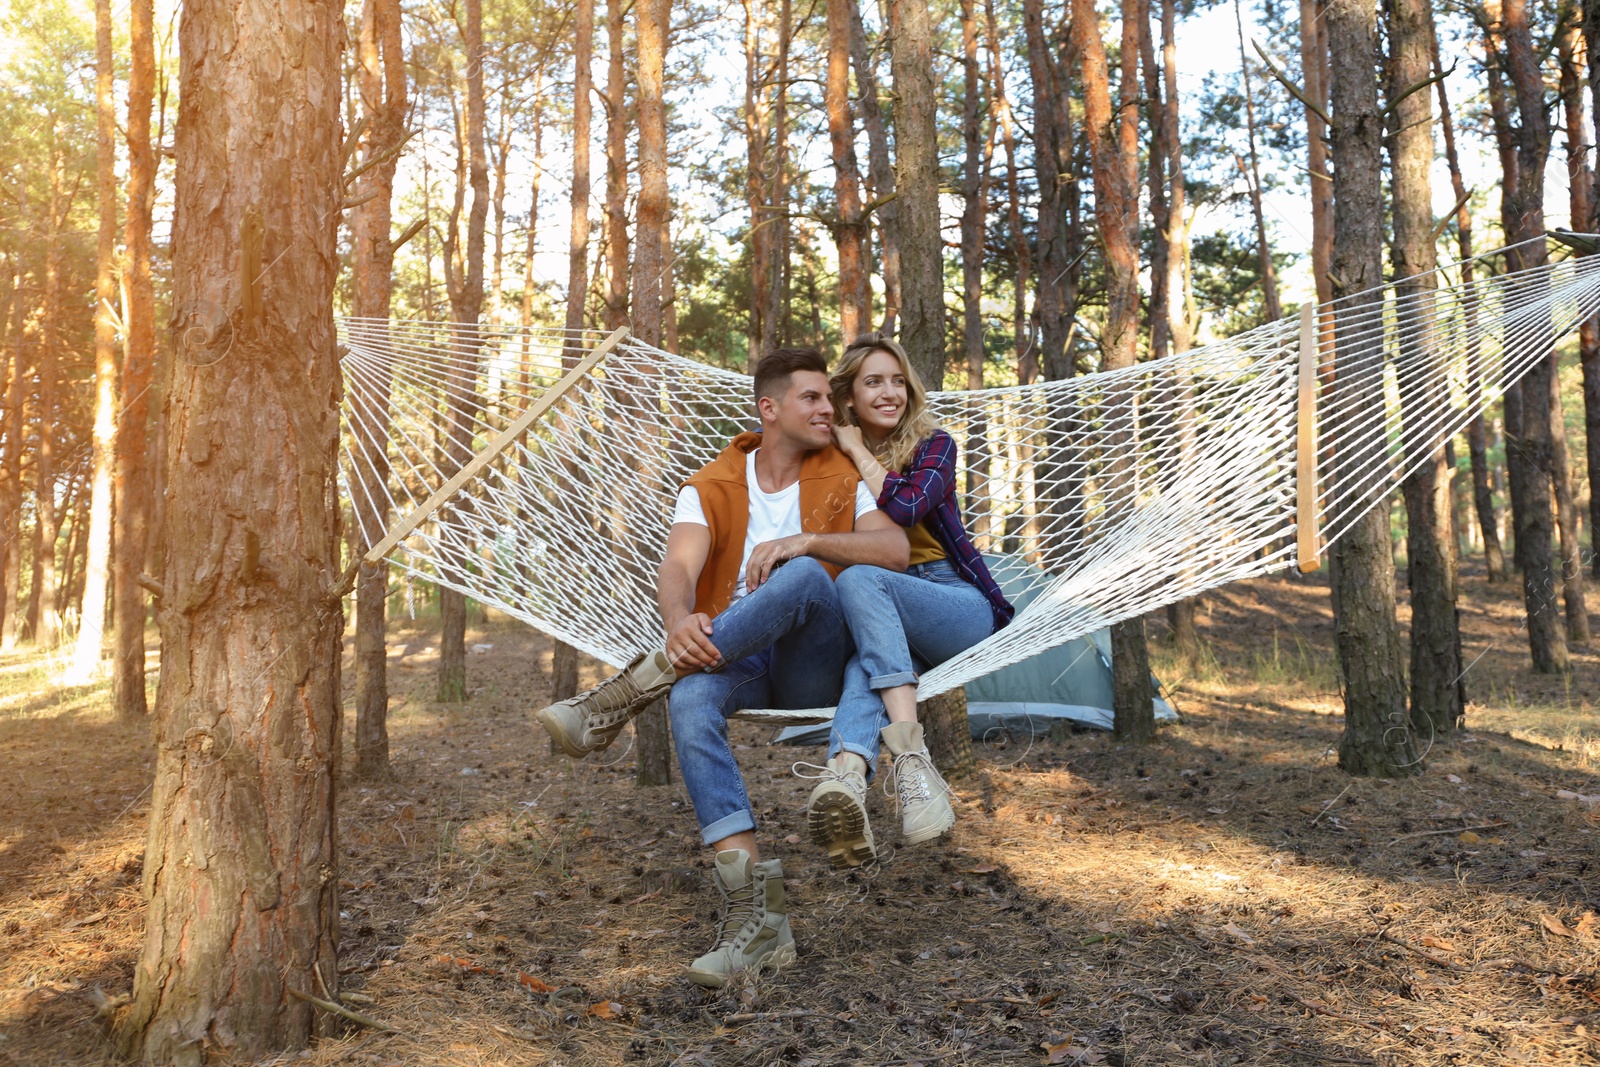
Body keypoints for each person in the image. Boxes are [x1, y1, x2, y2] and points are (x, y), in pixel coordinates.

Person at [535, 346, 908, 988]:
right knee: (690, 701)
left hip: (819, 656)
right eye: (812, 398)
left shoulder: (843, 470)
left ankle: (631, 689)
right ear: (769, 408)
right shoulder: (709, 484)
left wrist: (806, 541)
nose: (830, 408)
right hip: (739, 656)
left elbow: (894, 549)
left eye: (829, 397)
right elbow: (678, 565)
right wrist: (681, 620)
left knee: (802, 579)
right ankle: (759, 923)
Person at [798, 332, 1014, 869]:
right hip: (884, 624)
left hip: (950, 602)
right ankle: (847, 779)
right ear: (848, 395)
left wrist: (854, 450)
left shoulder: (934, 445)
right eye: (874, 382)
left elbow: (909, 505)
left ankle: (911, 758)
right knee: (863, 669)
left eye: (898, 381)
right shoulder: (824, 461)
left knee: (859, 580)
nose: (890, 392)